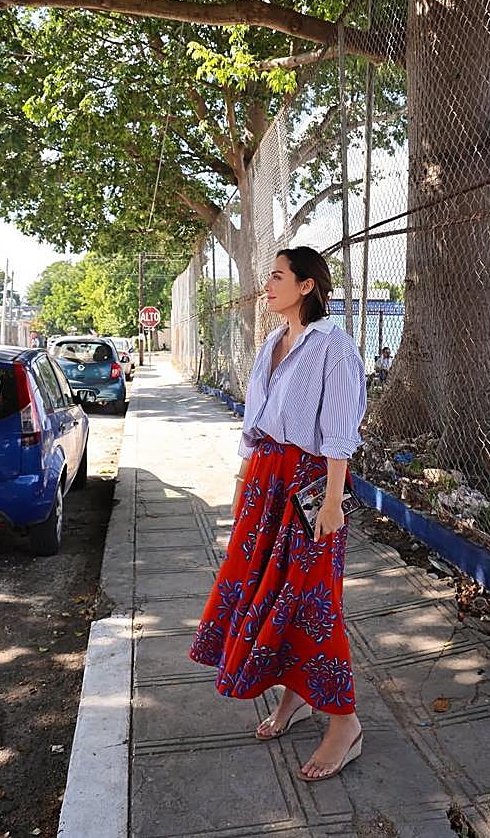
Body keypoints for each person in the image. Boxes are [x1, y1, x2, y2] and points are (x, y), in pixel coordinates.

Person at [189, 246, 366, 782]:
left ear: (307, 285)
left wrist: (333, 501)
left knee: (313, 601)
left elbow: (340, 427)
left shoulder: (331, 343)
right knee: (267, 595)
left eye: (277, 277)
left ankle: (345, 723)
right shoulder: (273, 341)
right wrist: (242, 484)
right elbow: (256, 421)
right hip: (265, 483)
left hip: (309, 486)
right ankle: (296, 700)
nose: (267, 286)